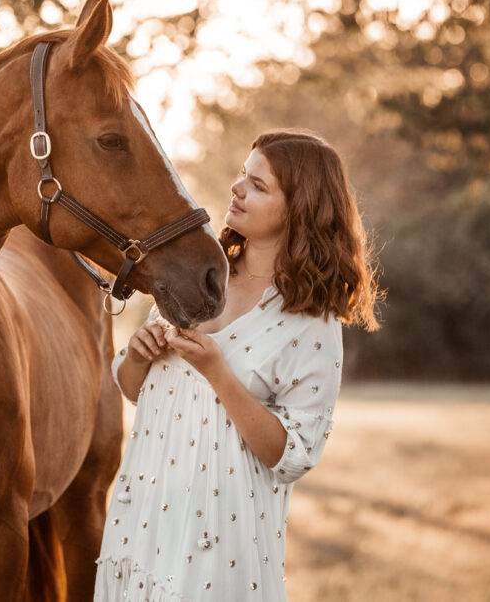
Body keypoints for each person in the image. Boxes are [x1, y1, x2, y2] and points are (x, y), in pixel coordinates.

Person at [94, 129, 381, 601]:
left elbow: (291, 455)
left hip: (218, 544)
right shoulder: (195, 275)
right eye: (241, 176)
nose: (237, 189)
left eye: (258, 186)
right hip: (143, 517)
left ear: (299, 210)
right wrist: (140, 355)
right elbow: (130, 388)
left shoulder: (310, 321)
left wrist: (218, 373)